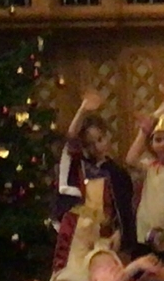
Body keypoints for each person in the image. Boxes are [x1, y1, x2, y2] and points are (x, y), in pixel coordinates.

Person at [52, 89, 136, 270]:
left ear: (108, 136)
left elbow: (125, 211)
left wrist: (120, 233)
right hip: (81, 237)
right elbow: (71, 138)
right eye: (90, 144)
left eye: (100, 139)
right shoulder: (81, 168)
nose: (97, 147)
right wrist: (83, 110)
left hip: (106, 238)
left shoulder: (117, 173)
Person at [126, 111, 164, 254]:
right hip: (146, 230)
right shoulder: (150, 167)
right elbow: (130, 159)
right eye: (158, 140)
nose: (163, 144)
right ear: (151, 144)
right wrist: (143, 133)